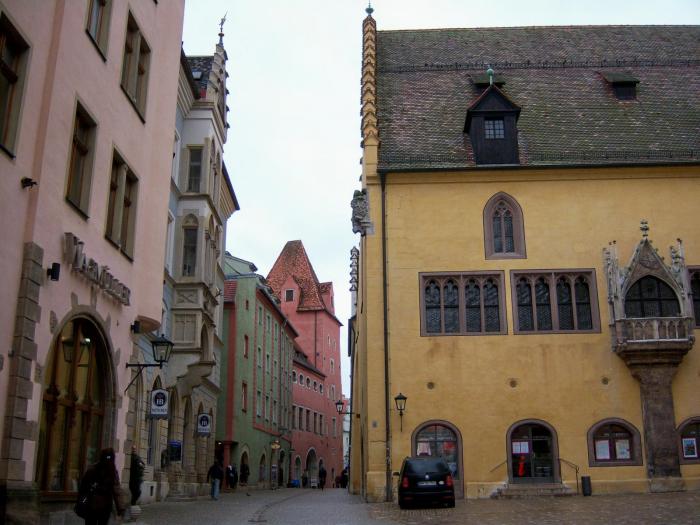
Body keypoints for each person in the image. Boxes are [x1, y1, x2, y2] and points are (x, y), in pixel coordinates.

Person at [77, 448, 125, 525]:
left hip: (93, 505)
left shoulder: (92, 469)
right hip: (102, 506)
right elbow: (117, 490)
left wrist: (80, 502)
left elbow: (83, 488)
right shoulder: (111, 471)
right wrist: (120, 508)